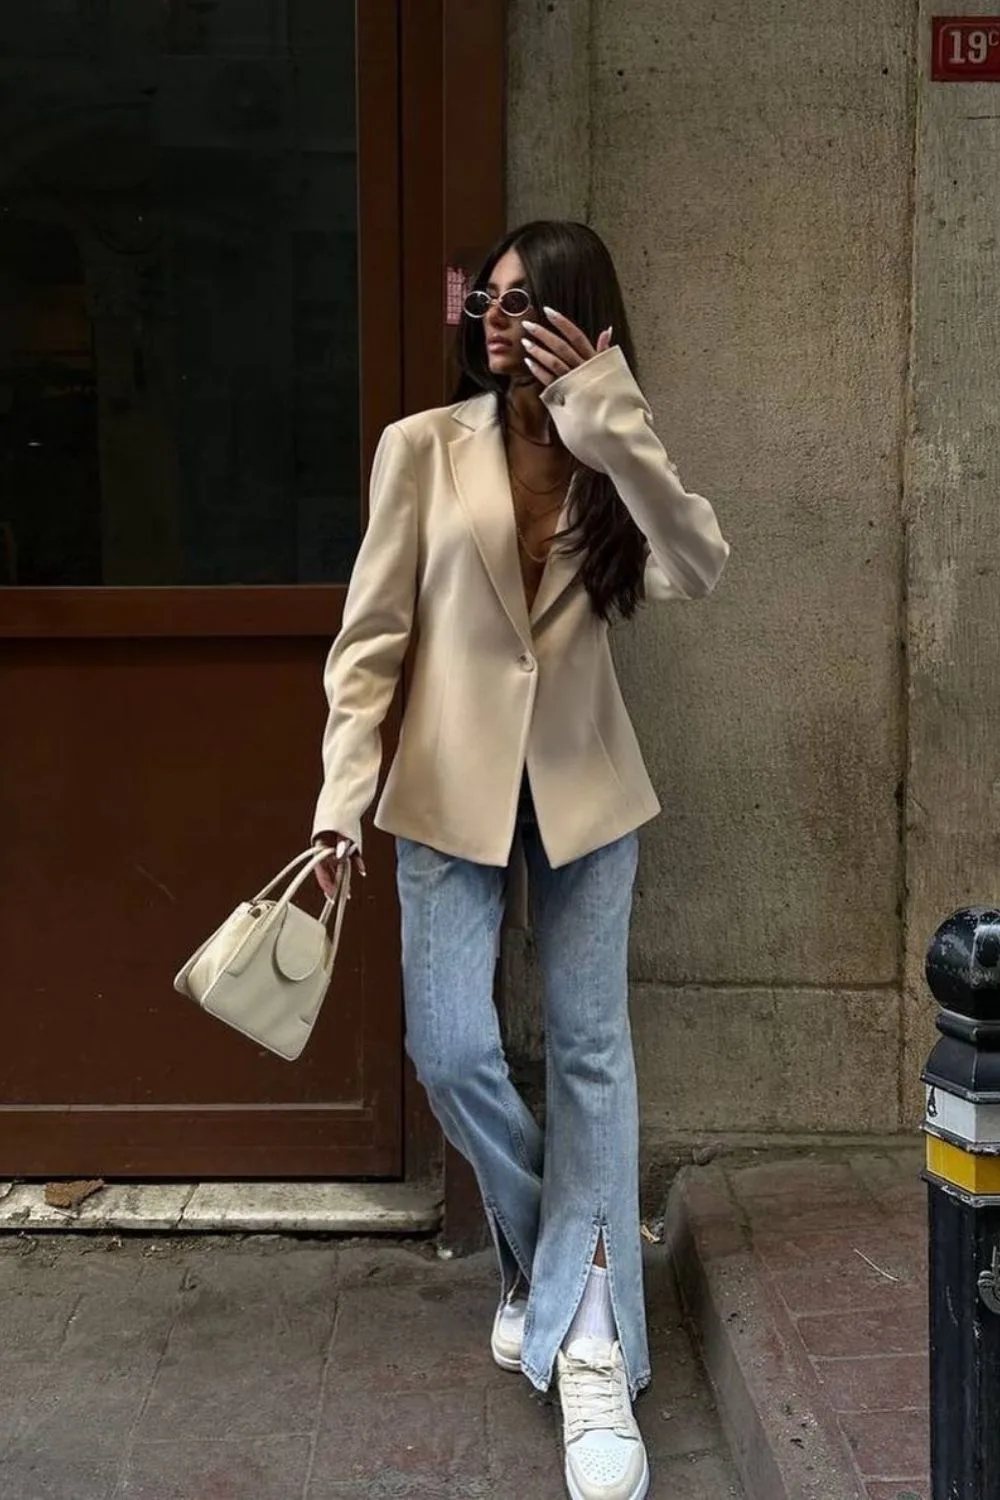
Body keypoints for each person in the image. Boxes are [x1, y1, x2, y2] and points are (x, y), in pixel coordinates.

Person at [311, 219, 729, 1500]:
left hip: (586, 794)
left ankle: (591, 1341)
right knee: (450, 1048)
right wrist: (339, 801)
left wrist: (608, 415)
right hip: (445, 792)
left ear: (580, 319)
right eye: (484, 305)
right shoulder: (421, 453)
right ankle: (557, 1250)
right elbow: (369, 639)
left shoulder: (615, 449)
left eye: (523, 305)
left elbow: (699, 566)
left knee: (591, 1054)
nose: (495, 325)